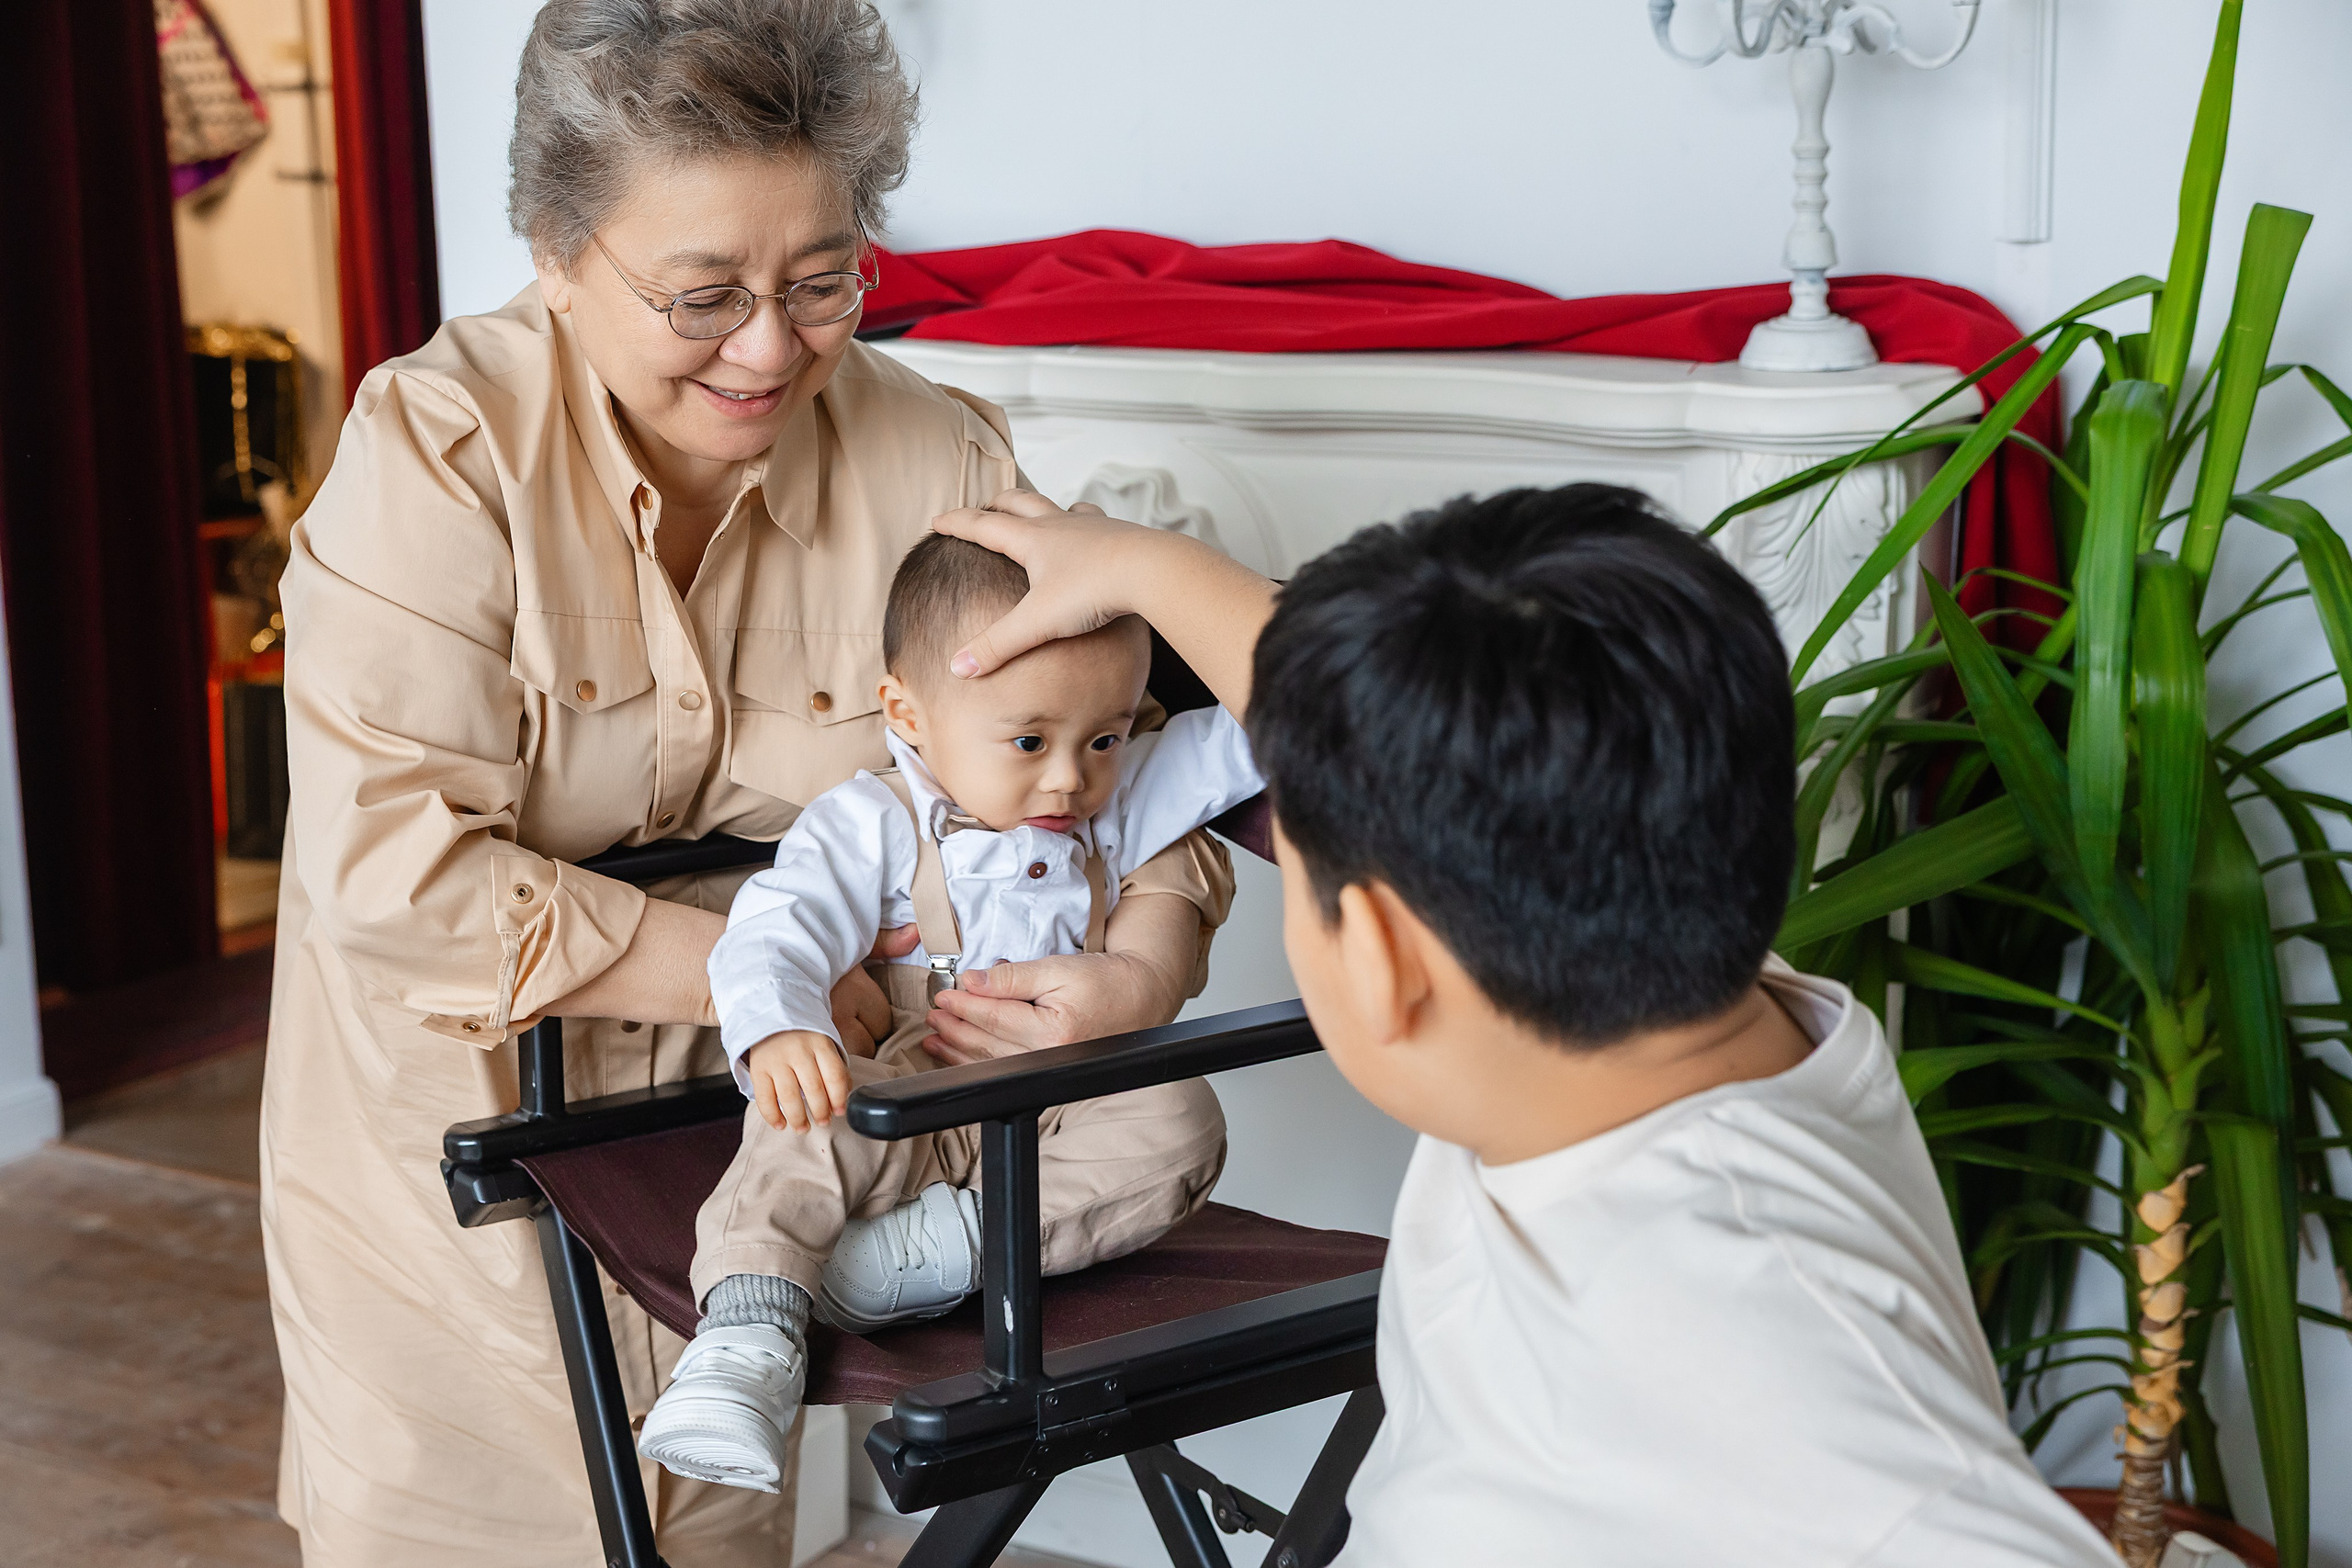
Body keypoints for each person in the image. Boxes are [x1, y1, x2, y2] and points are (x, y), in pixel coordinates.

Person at [262, 5, 1233, 1563]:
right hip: (469, 1141)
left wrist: (1146, 956)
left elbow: (1121, 748)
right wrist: (759, 967)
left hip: (785, 1145)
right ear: (557, 249)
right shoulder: (438, 455)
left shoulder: (940, 460)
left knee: (713, 1532)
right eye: (703, 294)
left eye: (824, 281)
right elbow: (392, 879)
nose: (772, 347)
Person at [933, 484, 2117, 1567]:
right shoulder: (1677, 956)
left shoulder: (1756, 1347)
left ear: (1389, 957)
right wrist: (1138, 567)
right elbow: (1342, 721)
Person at [636, 533, 1260, 1489]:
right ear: (908, 714)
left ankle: (924, 1257)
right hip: (917, 1077)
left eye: (1104, 735)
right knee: (806, 1118)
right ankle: (747, 1334)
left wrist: (1154, 574)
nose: (1068, 779)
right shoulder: (871, 819)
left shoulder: (1122, 791)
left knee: (1182, 1122)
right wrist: (780, 1024)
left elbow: (1285, 715)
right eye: (1028, 742)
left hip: (1070, 1095)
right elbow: (779, 923)